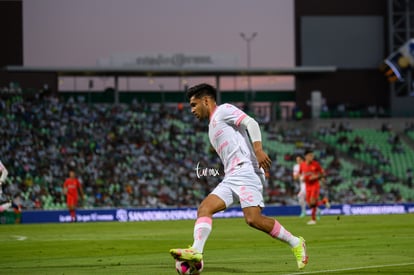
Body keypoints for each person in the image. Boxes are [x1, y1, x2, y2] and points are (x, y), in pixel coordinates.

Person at [169, 83, 308, 270]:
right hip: (232, 176)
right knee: (205, 208)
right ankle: (196, 251)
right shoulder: (211, 126)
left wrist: (258, 150)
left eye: (194, 105)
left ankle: (295, 243)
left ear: (206, 100)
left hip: (247, 170)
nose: (192, 110)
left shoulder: (223, 110)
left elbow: (251, 123)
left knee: (253, 219)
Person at [299, 149, 330, 225]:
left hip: (315, 185)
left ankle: (313, 220)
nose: (311, 157)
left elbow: (322, 173)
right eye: (310, 155)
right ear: (305, 156)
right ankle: (324, 201)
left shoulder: (316, 164)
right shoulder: (302, 165)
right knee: (310, 205)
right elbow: (300, 174)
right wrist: (301, 178)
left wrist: (316, 176)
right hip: (307, 186)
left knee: (313, 201)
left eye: (312, 155)